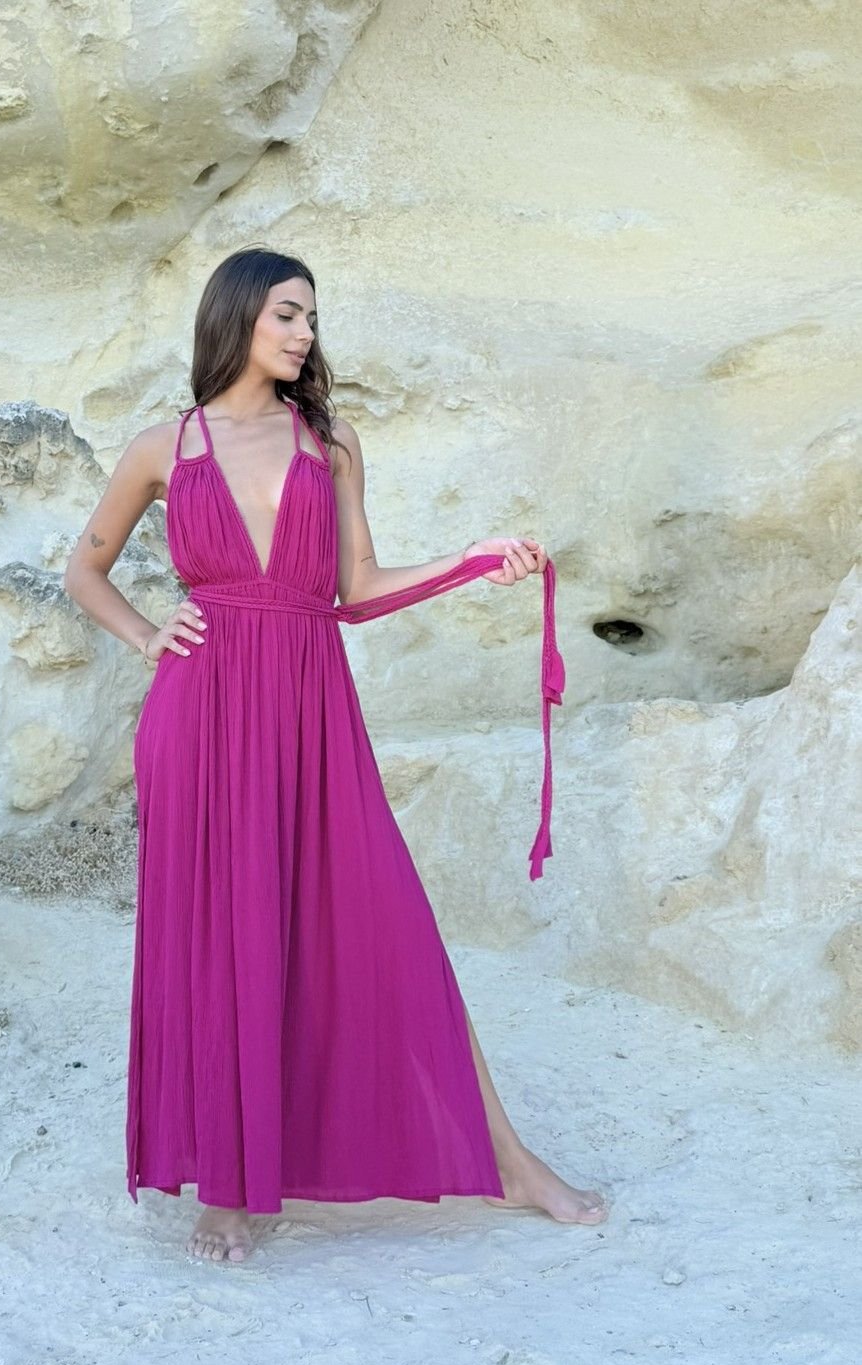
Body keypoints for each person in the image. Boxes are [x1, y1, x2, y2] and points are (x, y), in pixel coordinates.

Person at [63, 246, 608, 1264]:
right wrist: (146, 635)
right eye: (286, 312)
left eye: (310, 316)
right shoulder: (162, 447)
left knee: (390, 922)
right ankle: (230, 1188)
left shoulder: (330, 440)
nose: (304, 332)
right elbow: (83, 571)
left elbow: (356, 590)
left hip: (312, 713)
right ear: (236, 315)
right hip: (200, 714)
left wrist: (471, 560)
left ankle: (509, 1163)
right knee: (220, 940)